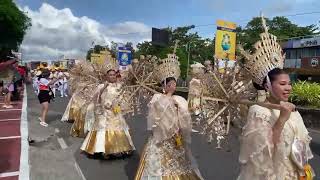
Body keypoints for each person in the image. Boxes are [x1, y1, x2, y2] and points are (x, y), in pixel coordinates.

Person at [237, 16, 314, 180]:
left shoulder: (292, 110)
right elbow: (262, 154)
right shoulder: (258, 111)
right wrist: (281, 120)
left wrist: (303, 169)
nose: (288, 87)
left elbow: (300, 147)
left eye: (289, 83)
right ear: (267, 86)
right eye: (282, 84)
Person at [135, 53, 203, 180]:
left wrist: (183, 111)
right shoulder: (157, 98)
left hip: (176, 136)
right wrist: (167, 101)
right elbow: (155, 117)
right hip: (161, 138)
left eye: (174, 83)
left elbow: (185, 118)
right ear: (164, 85)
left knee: (179, 163)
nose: (173, 85)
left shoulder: (179, 99)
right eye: (170, 83)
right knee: (158, 163)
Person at [80, 68, 135, 158]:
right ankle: (102, 149)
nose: (112, 76)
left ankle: (118, 149)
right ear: (106, 76)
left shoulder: (119, 86)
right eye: (110, 75)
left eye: (114, 75)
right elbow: (96, 98)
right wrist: (103, 90)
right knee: (102, 128)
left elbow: (123, 99)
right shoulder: (101, 86)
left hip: (115, 111)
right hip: (104, 112)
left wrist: (118, 106)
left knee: (119, 126)